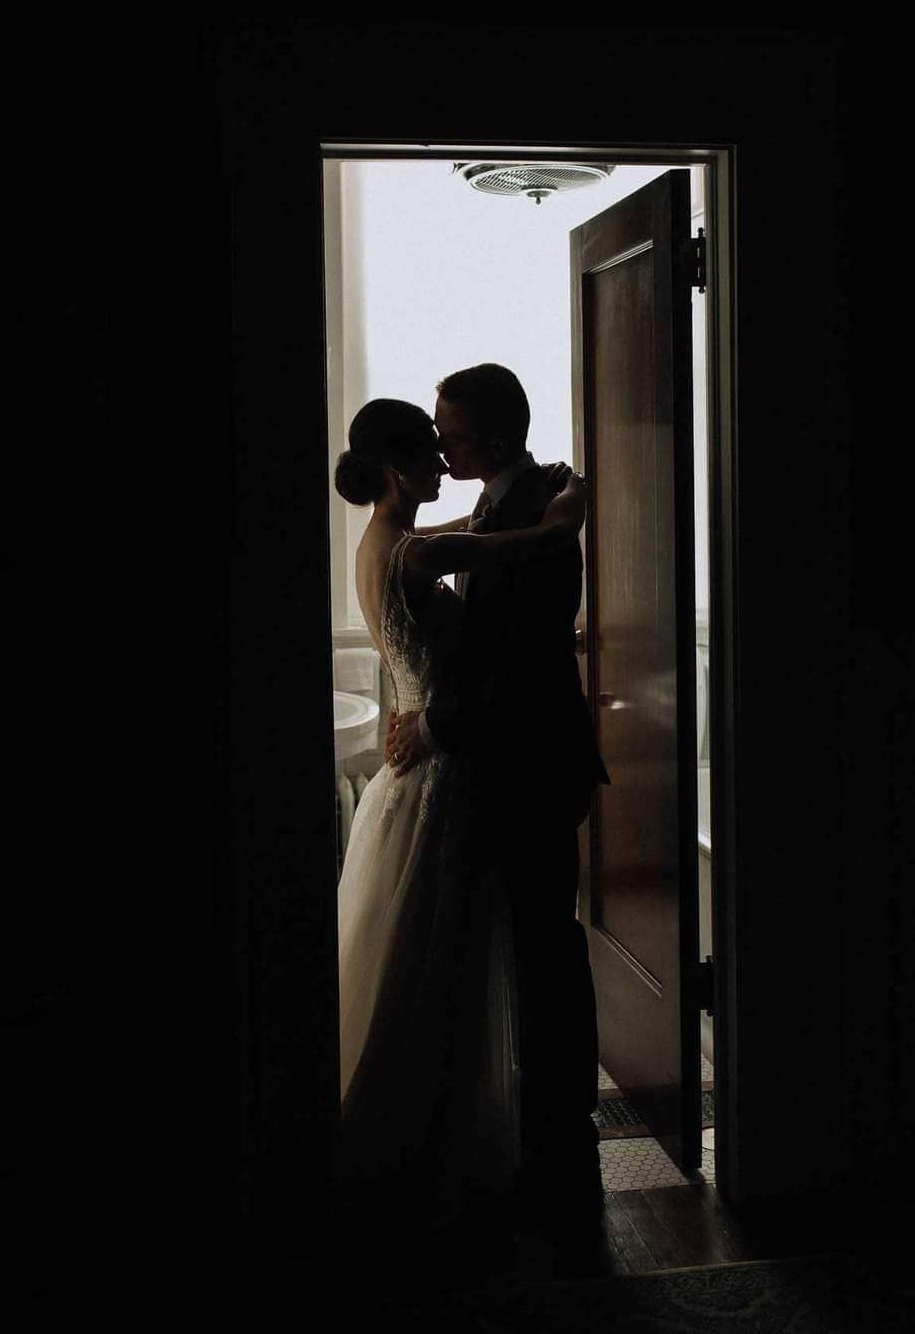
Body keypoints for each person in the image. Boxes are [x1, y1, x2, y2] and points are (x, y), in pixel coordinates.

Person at [333, 396, 588, 1265]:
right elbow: (528, 547)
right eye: (430, 452)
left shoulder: (377, 546)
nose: (443, 459)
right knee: (440, 956)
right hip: (438, 774)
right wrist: (571, 508)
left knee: (427, 953)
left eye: (450, 439)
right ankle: (427, 1142)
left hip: (421, 771)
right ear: (401, 469)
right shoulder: (416, 550)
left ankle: (427, 1130)